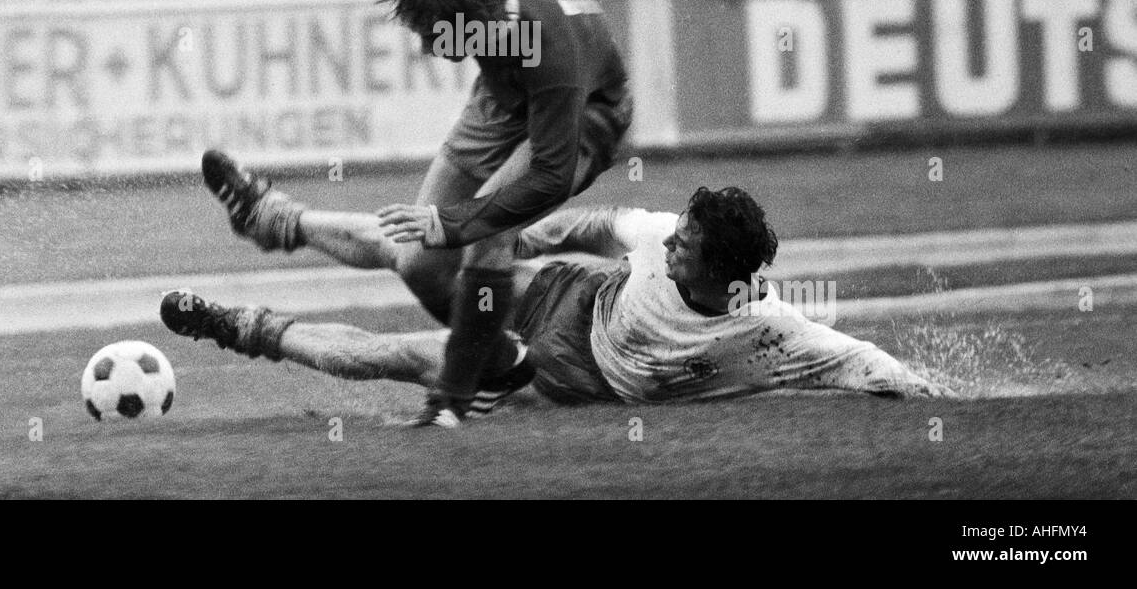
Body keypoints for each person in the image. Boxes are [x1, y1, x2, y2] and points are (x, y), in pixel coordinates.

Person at [201, 0, 633, 426]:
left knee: (485, 236)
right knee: (419, 263)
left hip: (587, 114)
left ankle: (453, 399)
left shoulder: (552, 50)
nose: (428, 47)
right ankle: (493, 366)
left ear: (479, 23)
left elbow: (550, 176)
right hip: (502, 94)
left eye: (437, 36)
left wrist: (455, 222)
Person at [161, 185, 951, 409]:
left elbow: (858, 359)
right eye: (675, 234)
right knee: (421, 249)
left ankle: (240, 326)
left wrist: (929, 392)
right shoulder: (665, 234)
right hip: (565, 295)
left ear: (721, 278)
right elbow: (598, 223)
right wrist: (521, 241)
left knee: (405, 354)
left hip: (558, 373)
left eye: (686, 249)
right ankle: (274, 218)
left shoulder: (769, 333)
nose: (670, 242)